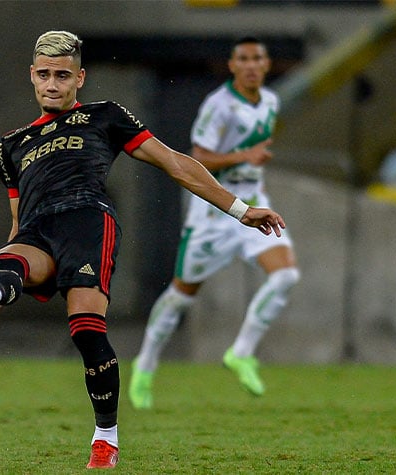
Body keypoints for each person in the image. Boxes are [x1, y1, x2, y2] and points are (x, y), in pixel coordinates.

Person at [0, 30, 286, 470]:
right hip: (35, 232)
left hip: (87, 222)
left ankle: (105, 438)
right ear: (32, 77)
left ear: (80, 78)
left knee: (87, 333)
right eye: (45, 75)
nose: (53, 84)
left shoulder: (104, 117)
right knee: (12, 256)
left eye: (63, 76)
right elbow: (17, 224)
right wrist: (2, 281)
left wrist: (239, 209)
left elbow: (175, 163)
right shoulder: (10, 146)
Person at [129, 37, 301, 409]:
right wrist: (245, 156)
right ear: (233, 65)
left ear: (267, 64)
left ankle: (241, 352)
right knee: (181, 296)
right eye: (244, 59)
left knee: (286, 274)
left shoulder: (270, 101)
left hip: (256, 202)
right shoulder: (218, 105)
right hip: (214, 212)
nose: (252, 65)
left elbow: (254, 159)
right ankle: (145, 364)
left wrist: (252, 171)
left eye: (258, 58)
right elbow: (199, 157)